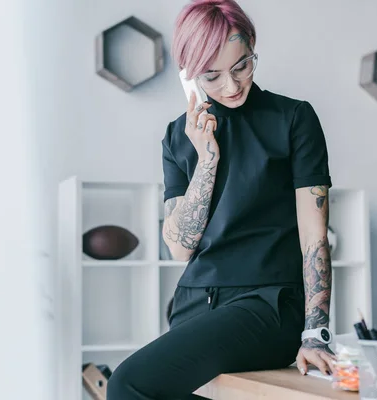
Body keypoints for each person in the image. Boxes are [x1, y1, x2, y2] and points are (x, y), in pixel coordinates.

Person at [106, 1, 335, 398]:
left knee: (128, 384)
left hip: (268, 304)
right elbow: (179, 247)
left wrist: (315, 332)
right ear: (189, 75)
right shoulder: (178, 137)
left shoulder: (294, 119)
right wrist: (207, 158)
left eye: (242, 66)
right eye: (211, 75)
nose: (231, 86)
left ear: (252, 50)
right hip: (195, 304)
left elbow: (315, 237)